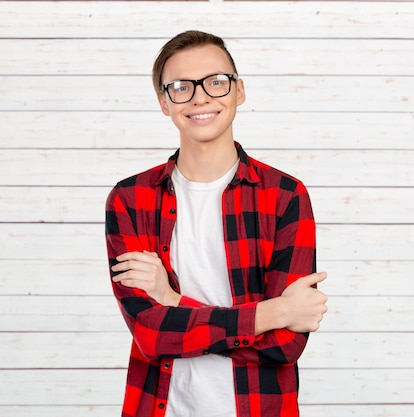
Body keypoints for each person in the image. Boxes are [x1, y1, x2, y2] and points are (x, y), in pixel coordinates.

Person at [105, 30, 328, 417]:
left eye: (216, 82)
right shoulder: (130, 199)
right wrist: (272, 313)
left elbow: (285, 345)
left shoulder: (284, 196)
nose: (200, 97)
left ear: (239, 91)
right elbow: (151, 333)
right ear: (163, 101)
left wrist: (174, 302)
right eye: (181, 87)